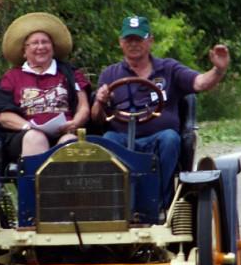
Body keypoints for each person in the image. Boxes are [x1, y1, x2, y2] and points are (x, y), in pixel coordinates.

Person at [91, 15, 230, 207]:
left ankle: (160, 204)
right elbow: (97, 118)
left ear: (150, 40)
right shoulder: (110, 73)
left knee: (170, 138)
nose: (134, 44)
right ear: (120, 43)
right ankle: (116, 206)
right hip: (122, 137)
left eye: (139, 39)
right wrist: (99, 101)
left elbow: (199, 83)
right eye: (129, 40)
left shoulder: (169, 69)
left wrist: (218, 70)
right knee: (107, 140)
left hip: (158, 139)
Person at [0, 12, 90, 162]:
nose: (41, 47)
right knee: (36, 138)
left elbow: (84, 107)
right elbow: (4, 117)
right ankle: (33, 184)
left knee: (69, 142)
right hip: (25, 135)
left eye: (45, 42)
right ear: (24, 51)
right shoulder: (11, 77)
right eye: (35, 43)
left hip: (65, 131)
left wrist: (75, 122)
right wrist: (28, 127)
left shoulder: (70, 73)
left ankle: (64, 185)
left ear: (53, 47)